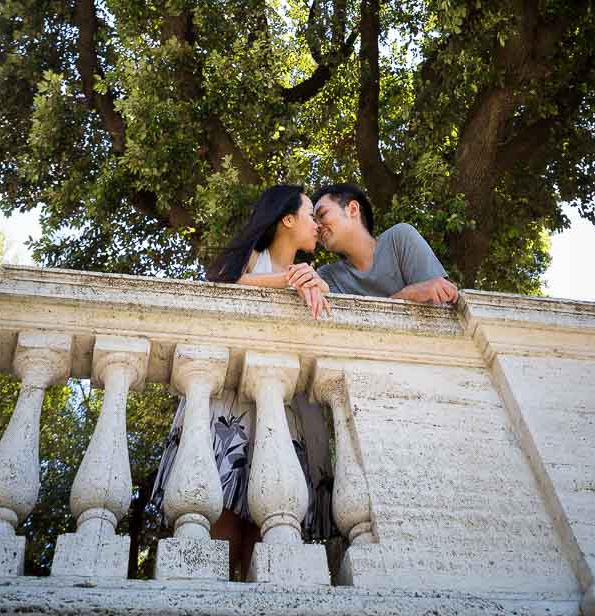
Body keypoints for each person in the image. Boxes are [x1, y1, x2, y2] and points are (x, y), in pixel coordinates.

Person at [151, 185, 334, 581]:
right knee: (223, 530)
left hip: (283, 414)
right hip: (231, 407)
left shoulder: (311, 277)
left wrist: (311, 283)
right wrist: (289, 280)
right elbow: (223, 285)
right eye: (309, 214)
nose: (317, 225)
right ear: (286, 219)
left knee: (270, 539)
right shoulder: (254, 259)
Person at [311, 182, 459, 304]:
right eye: (314, 221)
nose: (317, 226)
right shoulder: (327, 276)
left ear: (353, 210)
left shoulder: (400, 238)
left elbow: (442, 302)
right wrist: (408, 294)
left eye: (322, 215)